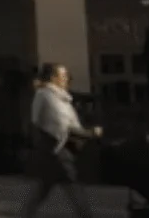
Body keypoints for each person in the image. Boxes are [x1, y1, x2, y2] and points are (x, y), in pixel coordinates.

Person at [24, 63, 99, 218]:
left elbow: (71, 125)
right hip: (55, 150)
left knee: (40, 192)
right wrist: (44, 145)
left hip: (66, 148)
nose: (67, 79)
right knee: (74, 189)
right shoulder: (43, 94)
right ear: (53, 78)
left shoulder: (64, 99)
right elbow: (35, 121)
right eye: (63, 75)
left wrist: (88, 133)